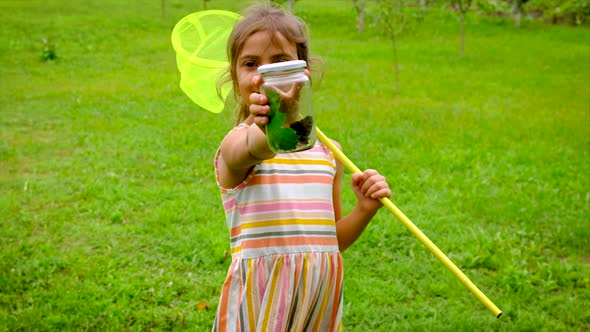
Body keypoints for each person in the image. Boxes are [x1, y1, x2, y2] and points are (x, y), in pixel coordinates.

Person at [212, 3, 391, 331]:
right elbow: (249, 150)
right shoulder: (236, 145)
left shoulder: (328, 153)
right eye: (250, 64)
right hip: (260, 299)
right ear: (235, 78)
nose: (264, 74)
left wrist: (364, 210)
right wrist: (271, 127)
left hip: (316, 300)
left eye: (280, 62)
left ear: (304, 70)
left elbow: (330, 239)